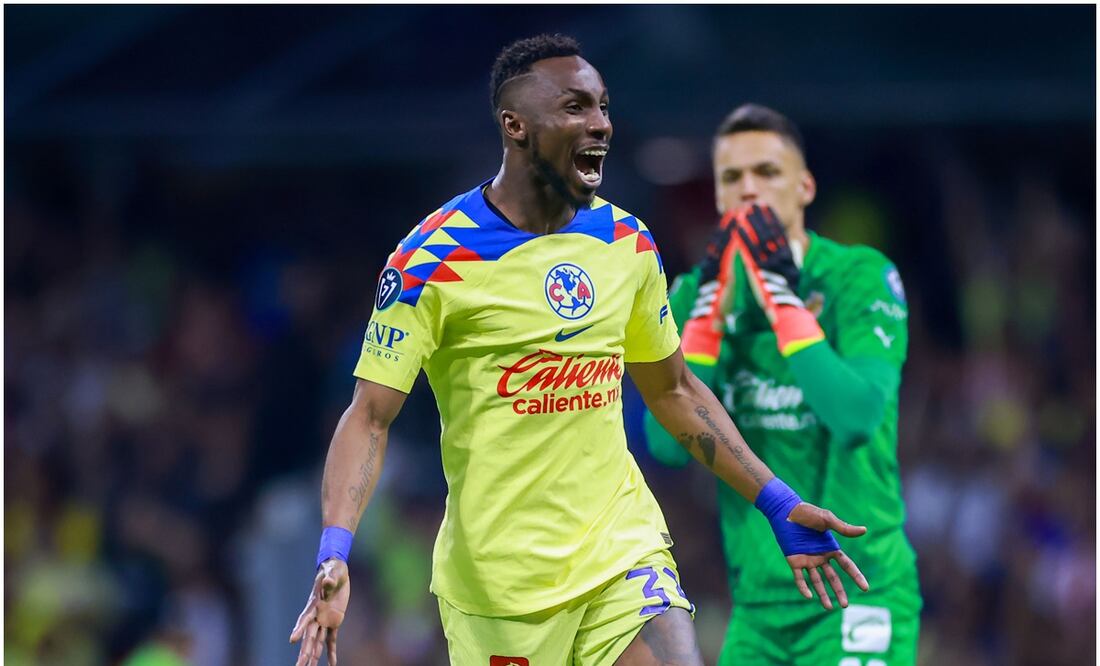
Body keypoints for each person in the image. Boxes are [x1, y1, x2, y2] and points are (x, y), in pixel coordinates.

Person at [290, 36, 869, 666]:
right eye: (574, 107)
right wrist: (335, 551)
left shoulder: (625, 241)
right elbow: (369, 415)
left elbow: (672, 391)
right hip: (500, 590)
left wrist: (777, 501)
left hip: (620, 551)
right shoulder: (431, 259)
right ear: (515, 126)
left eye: (602, 106)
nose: (600, 124)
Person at [645, 104, 921, 665]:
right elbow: (661, 445)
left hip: (858, 591)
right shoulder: (694, 295)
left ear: (805, 186)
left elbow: (856, 418)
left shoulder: (858, 276)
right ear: (719, 197)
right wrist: (708, 321)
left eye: (766, 172)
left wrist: (781, 300)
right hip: (758, 607)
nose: (749, 189)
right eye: (732, 178)